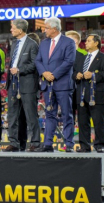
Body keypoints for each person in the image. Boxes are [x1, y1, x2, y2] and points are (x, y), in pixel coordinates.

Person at [35, 17, 76, 152]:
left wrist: (54, 74)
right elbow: (38, 61)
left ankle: (69, 144)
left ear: (54, 28)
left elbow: (69, 61)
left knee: (66, 114)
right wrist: (44, 73)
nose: (44, 30)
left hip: (63, 84)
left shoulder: (68, 42)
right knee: (49, 114)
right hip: (47, 85)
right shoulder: (44, 43)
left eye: (46, 27)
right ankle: (48, 144)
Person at [4, 19, 40, 152]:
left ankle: (35, 142)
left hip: (27, 84)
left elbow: (35, 64)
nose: (11, 30)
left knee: (31, 115)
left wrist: (20, 69)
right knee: (12, 115)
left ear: (20, 29)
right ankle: (14, 142)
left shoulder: (32, 45)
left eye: (12, 27)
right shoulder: (14, 44)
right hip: (13, 84)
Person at [73, 34, 104, 153]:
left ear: (96, 43)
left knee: (98, 121)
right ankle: (84, 145)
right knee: (82, 121)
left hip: (96, 95)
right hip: (82, 94)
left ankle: (100, 145)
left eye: (88, 41)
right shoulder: (82, 58)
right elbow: (73, 72)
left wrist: (93, 75)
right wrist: (76, 75)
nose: (85, 43)